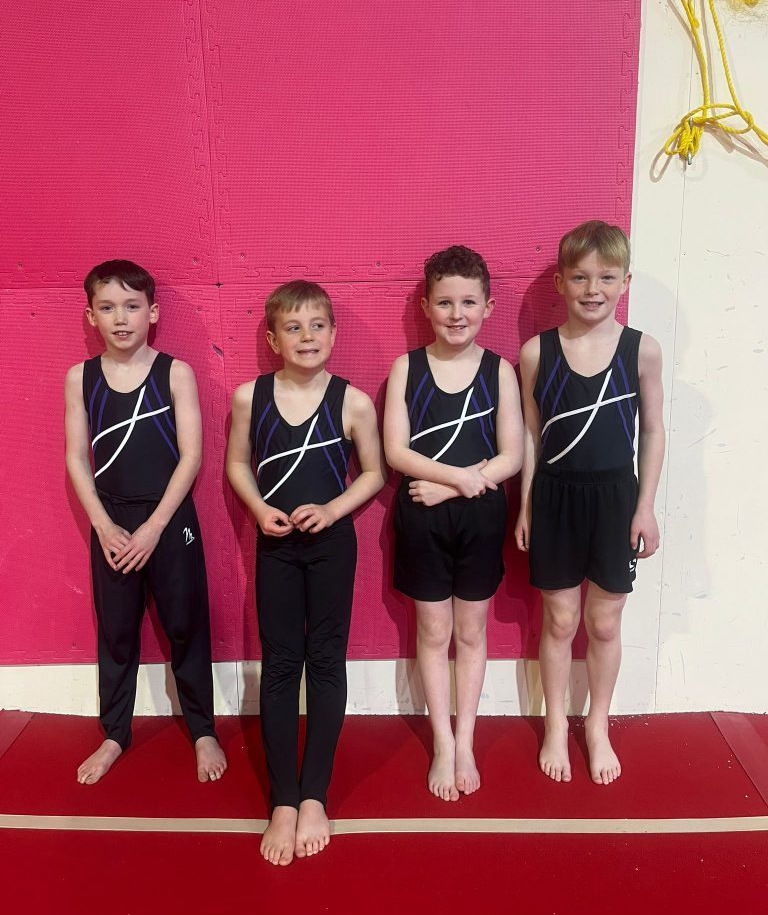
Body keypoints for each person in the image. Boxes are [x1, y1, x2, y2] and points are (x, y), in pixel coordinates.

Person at [226, 280, 385, 866]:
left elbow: (374, 472)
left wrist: (333, 510)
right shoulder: (250, 397)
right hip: (276, 546)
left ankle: (314, 793)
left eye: (317, 325)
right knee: (279, 664)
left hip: (330, 545)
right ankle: (283, 800)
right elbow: (236, 463)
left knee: (325, 661)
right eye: (293, 328)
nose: (307, 336)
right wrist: (257, 507)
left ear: (333, 334)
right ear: (274, 340)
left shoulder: (353, 402)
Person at [64, 260, 226, 785]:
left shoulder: (175, 373)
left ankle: (202, 729)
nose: (120, 318)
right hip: (111, 521)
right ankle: (115, 733)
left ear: (152, 313)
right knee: (116, 631)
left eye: (132, 306)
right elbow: (76, 458)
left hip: (169, 519)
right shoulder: (80, 378)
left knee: (186, 624)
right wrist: (103, 525)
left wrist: (155, 527)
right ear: (91, 315)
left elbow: (191, 455)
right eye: (107, 307)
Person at [515, 220, 664, 785]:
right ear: (560, 282)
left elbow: (653, 430)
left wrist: (645, 506)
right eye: (579, 277)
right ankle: (556, 723)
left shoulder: (641, 350)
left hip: (615, 499)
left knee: (603, 623)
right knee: (560, 619)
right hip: (555, 497)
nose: (592, 289)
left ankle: (597, 723)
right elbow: (532, 435)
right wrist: (526, 506)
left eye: (606, 277)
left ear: (625, 281)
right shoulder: (537, 352)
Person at [384, 246, 522, 802]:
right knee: (433, 632)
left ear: (488, 307)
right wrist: (458, 478)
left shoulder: (499, 371)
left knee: (470, 632)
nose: (457, 314)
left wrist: (453, 485)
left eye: (468, 302)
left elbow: (513, 455)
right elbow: (396, 451)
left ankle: (466, 740)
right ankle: (442, 740)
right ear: (426, 307)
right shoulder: (407, 368)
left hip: (480, 517)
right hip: (421, 519)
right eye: (445, 303)